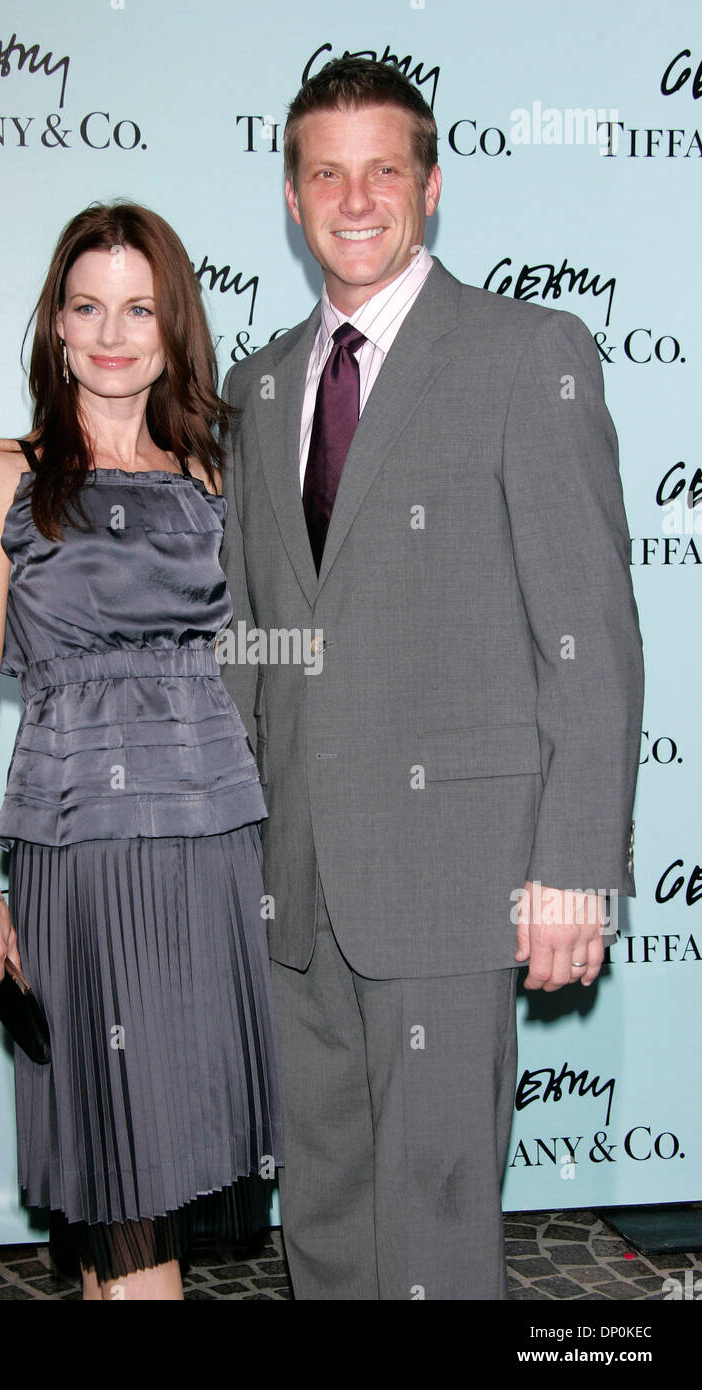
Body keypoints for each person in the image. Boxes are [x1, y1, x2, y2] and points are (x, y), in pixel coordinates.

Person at [218, 58, 643, 1300]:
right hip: (293, 883)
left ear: (431, 187)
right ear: (292, 200)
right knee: (329, 1216)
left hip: (457, 872)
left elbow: (588, 635)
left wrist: (571, 866)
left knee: (439, 1224)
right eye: (325, 174)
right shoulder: (254, 388)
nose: (355, 200)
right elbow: (257, 639)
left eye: (382, 172)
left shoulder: (528, 353)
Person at [0, 201, 283, 1301]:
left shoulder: (213, 481)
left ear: (172, 326)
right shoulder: (2, 476)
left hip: (213, 847)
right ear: (54, 325)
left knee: (139, 1185)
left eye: (137, 308)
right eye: (86, 306)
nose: (110, 331)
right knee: (122, 1175)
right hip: (81, 858)